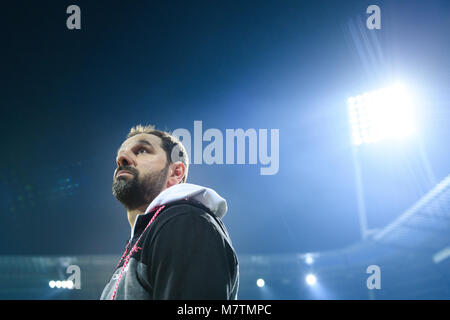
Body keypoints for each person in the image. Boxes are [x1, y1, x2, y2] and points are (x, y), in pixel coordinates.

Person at [100, 125, 239, 300]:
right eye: (120, 155)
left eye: (142, 150)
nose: (121, 158)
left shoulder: (184, 222)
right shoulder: (148, 236)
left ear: (175, 172)